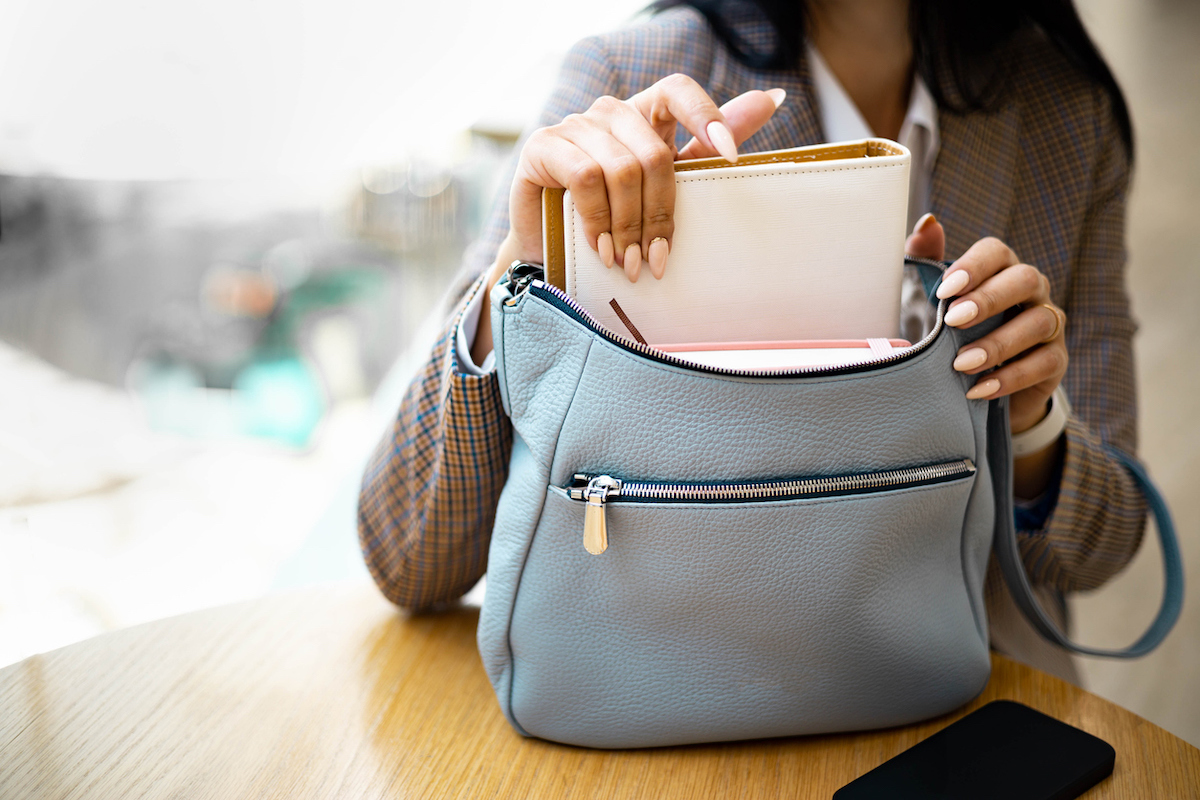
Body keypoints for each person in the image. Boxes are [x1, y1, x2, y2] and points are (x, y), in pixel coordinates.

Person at [358, 0, 1146, 681]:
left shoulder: (1068, 119)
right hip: (653, 663)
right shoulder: (630, 70)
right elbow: (409, 556)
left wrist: (1029, 420)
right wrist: (524, 272)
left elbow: (1102, 549)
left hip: (945, 697)